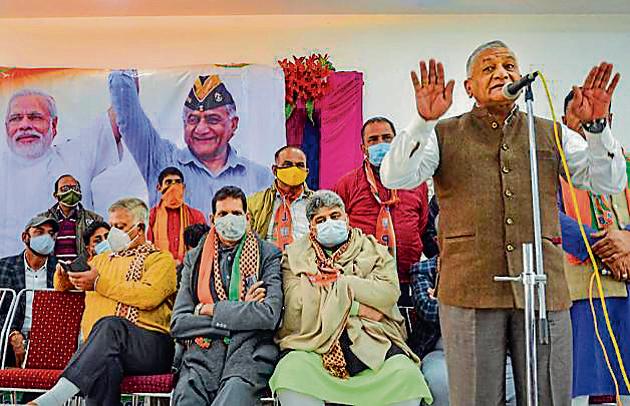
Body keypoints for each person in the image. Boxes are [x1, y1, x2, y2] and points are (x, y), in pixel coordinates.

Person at [380, 40, 625, 405]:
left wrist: (596, 127)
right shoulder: (443, 135)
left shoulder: (549, 131)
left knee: (549, 396)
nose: (502, 73)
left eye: (509, 66)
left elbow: (608, 181)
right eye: (489, 68)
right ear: (468, 88)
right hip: (470, 292)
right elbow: (394, 177)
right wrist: (422, 122)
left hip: (543, 290)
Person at [269, 190, 432, 406]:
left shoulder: (374, 250)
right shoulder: (294, 256)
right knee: (291, 372)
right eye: (321, 219)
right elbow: (297, 303)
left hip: (372, 338)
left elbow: (388, 293)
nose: (330, 222)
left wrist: (342, 282)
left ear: (346, 218)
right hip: (314, 342)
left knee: (405, 376)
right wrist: (358, 307)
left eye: (335, 216)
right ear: (312, 227)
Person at [33, 198, 177, 406]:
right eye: (112, 227)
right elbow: (65, 287)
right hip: (105, 348)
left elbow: (149, 296)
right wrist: (64, 277)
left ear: (141, 228)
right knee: (105, 364)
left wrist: (99, 283)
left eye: (120, 227)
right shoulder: (100, 260)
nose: (114, 233)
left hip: (150, 347)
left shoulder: (160, 259)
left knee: (110, 325)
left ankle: (53, 399)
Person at [170, 186, 283, 405]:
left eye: (236, 214)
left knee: (232, 397)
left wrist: (209, 309)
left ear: (247, 217)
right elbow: (180, 323)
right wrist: (243, 312)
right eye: (223, 214)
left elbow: (269, 315)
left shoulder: (268, 254)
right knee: (187, 398)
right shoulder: (195, 258)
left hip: (250, 352)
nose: (229, 219)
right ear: (213, 219)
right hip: (202, 355)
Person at [108, 70, 273, 214]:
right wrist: (123, 57)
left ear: (233, 124)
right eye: (193, 119)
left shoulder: (261, 178)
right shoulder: (163, 160)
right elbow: (128, 117)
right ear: (184, 124)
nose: (201, 129)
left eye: (212, 119)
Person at [558, 90, 630, 406]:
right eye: (579, 116)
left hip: (628, 275)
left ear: (608, 121)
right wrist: (605, 246)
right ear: (564, 122)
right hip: (581, 282)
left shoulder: (624, 163)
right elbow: (550, 216)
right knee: (593, 377)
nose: (587, 124)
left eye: (596, 117)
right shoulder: (550, 168)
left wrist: (627, 242)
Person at [0, 88, 121, 258]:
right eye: (16, 118)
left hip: (77, 276)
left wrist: (124, 70)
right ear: (6, 128)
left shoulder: (75, 155)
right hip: (10, 278)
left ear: (54, 125)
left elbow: (122, 111)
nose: (24, 125)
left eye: (35, 117)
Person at [333, 116, 429, 306]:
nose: (381, 144)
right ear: (363, 148)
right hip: (363, 280)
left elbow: (422, 225)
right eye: (373, 140)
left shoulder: (416, 181)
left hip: (406, 279)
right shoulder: (347, 183)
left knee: (405, 332)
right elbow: (337, 228)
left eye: (387, 138)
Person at [0, 215, 58, 368]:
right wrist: (12, 334)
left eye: (51, 234)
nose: (46, 238)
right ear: (25, 237)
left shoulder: (61, 271)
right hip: (8, 340)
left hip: (49, 342)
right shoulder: (3, 268)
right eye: (39, 232)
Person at [248, 146, 312, 250]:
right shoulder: (254, 203)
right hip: (267, 264)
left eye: (300, 165)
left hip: (307, 264)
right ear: (274, 170)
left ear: (307, 172)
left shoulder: (318, 203)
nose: (294, 169)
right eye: (288, 165)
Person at [38, 175, 103, 264]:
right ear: (56, 195)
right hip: (53, 274)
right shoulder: (42, 220)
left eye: (75, 188)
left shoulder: (95, 220)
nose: (71, 191)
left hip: (83, 273)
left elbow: (102, 251)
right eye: (65, 188)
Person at [147, 167, 207, 263]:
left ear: (183, 187)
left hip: (188, 269)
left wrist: (184, 263)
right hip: (159, 269)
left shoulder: (196, 216)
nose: (173, 186)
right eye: (168, 182)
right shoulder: (150, 216)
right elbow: (147, 248)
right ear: (159, 187)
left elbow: (202, 247)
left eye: (177, 182)